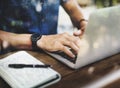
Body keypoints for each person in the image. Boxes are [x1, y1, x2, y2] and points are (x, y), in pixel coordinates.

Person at [0, 0, 87, 58]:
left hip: (54, 53)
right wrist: (39, 40)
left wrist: (82, 22)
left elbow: (71, 5)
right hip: (13, 57)